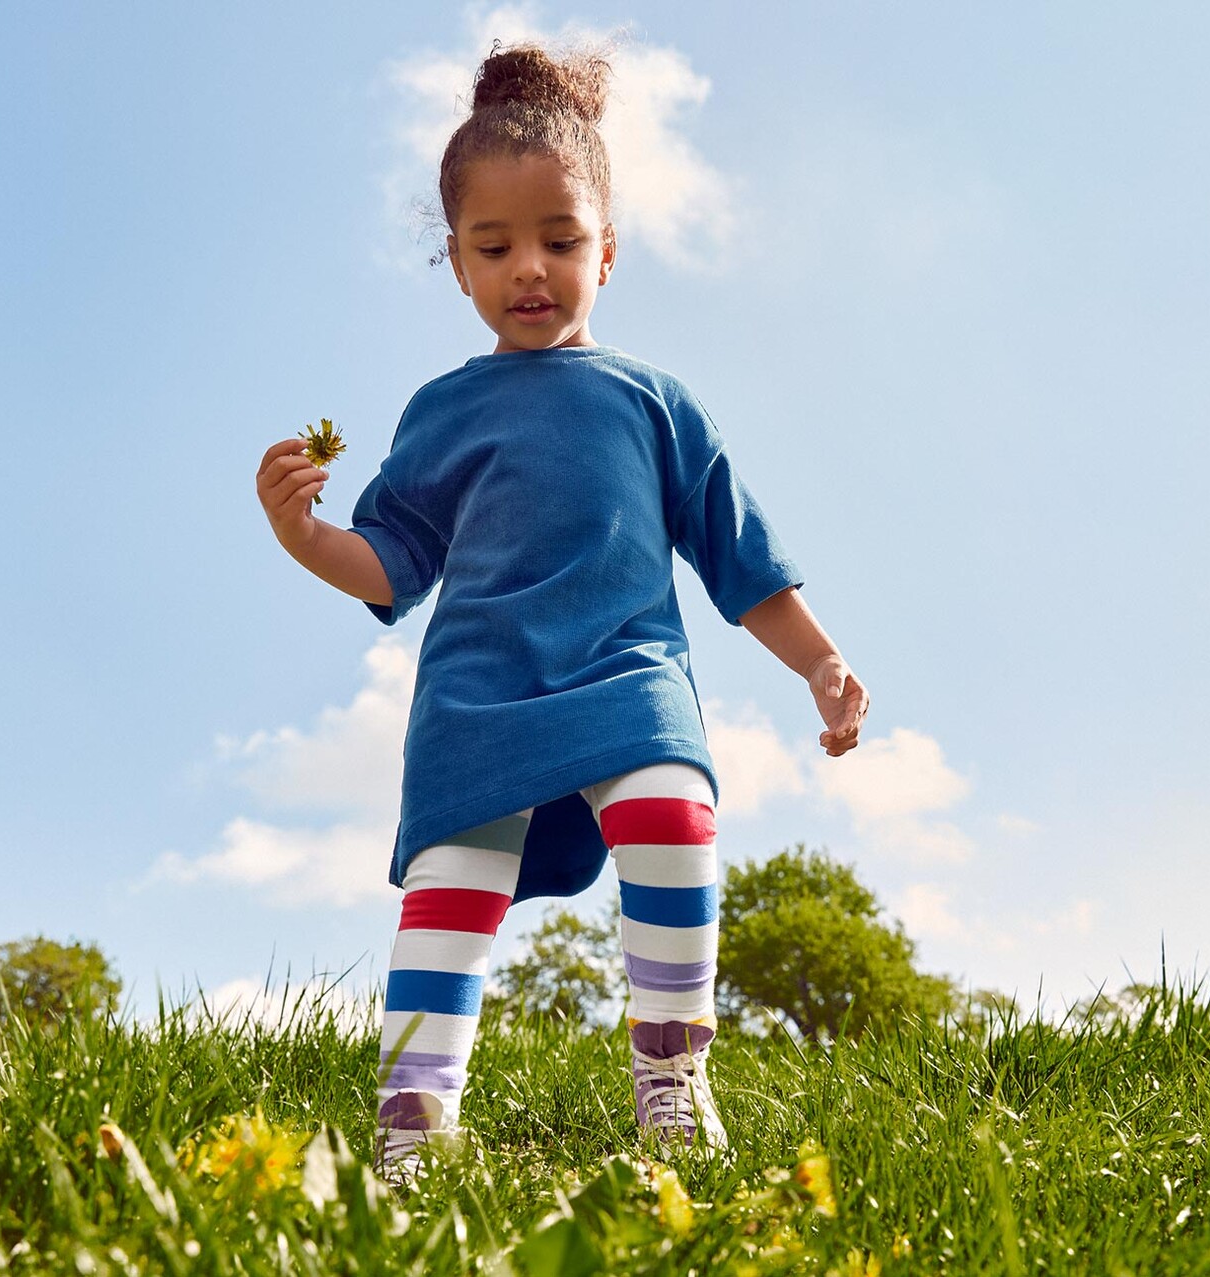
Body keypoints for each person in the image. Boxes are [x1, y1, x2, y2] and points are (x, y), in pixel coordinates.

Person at [256, 43, 868, 1183]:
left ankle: (672, 1075)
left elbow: (739, 556)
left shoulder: (653, 401)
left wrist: (821, 662)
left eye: (560, 240)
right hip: (478, 699)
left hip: (628, 677)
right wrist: (305, 537)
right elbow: (395, 566)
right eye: (494, 247)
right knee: (450, 902)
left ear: (609, 250)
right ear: (457, 263)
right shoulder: (442, 410)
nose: (528, 267)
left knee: (676, 824)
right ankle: (412, 1125)